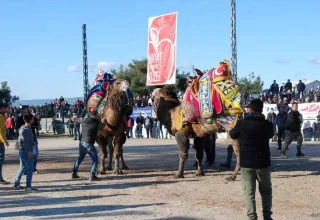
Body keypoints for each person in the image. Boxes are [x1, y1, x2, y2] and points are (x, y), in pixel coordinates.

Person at [229, 99, 274, 220]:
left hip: (247, 164)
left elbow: (232, 134)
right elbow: (271, 135)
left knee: (249, 193)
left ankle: (252, 217)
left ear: (251, 109)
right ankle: (267, 216)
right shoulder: (268, 124)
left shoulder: (242, 123)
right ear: (261, 109)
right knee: (266, 192)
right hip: (263, 163)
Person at [71, 110, 100, 181]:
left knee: (80, 158)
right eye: (98, 114)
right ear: (95, 115)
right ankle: (92, 175)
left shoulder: (84, 121)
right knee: (95, 160)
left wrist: (74, 118)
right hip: (89, 143)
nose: (99, 116)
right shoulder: (97, 123)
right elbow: (105, 125)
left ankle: (74, 172)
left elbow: (74, 119)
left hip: (81, 143)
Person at [13, 112, 38, 192]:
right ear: (30, 119)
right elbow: (25, 142)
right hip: (25, 151)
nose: (33, 119)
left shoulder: (22, 128)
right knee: (30, 168)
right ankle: (28, 186)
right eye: (33, 118)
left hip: (22, 150)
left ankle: (16, 184)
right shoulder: (27, 130)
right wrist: (29, 152)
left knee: (22, 168)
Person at [0, 103, 10, 185]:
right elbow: (1, 130)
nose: (5, 110)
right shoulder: (0, 117)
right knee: (1, 160)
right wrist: (4, 140)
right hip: (0, 142)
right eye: (4, 108)